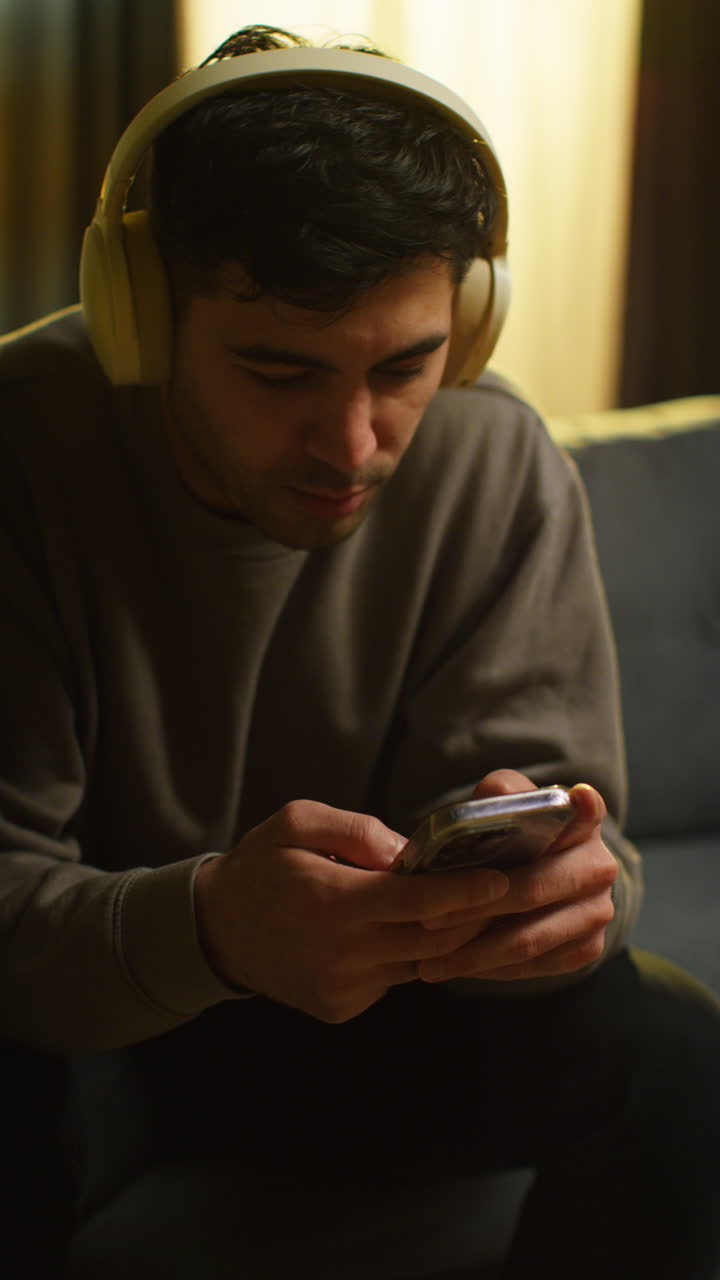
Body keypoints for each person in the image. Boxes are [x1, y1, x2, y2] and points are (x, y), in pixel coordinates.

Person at [0, 23, 718, 1280]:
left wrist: (547, 908)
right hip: (80, 1017)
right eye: (277, 369)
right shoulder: (23, 455)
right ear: (143, 315)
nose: (352, 443)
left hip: (381, 1011)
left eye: (406, 365)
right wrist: (211, 929)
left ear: (472, 321)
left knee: (674, 1052)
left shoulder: (493, 456)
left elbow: (575, 840)